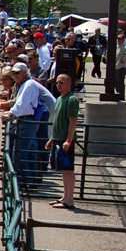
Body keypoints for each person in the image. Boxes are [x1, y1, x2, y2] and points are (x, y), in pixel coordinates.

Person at [46, 73, 80, 209]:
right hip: (58, 139)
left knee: (68, 169)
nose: (59, 84)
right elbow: (58, 122)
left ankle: (69, 199)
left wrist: (68, 141)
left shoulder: (71, 99)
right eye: (57, 82)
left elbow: (73, 122)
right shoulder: (60, 98)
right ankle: (65, 197)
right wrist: (52, 139)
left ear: (69, 84)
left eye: (62, 82)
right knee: (63, 170)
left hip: (65, 141)